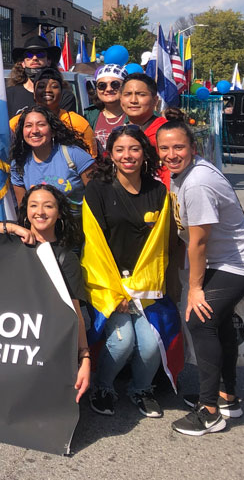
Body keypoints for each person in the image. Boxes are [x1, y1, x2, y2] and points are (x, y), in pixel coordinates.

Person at [158, 112, 244, 436]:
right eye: (164, 148)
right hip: (225, 259)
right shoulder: (184, 173)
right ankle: (227, 397)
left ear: (193, 147)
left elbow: (199, 241)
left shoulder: (197, 183)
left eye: (178, 147)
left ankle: (209, 413)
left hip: (235, 262)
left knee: (200, 320)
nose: (171, 154)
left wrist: (194, 288)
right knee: (219, 324)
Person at [0, 184, 91, 403]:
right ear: (26, 211)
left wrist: (85, 357)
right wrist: (14, 229)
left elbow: (75, 314)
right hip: (2, 336)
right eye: (33, 205)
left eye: (48, 206)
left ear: (59, 212)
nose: (40, 212)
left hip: (39, 343)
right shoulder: (12, 241)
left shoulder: (67, 259)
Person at [81, 125, 170, 419]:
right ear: (111, 153)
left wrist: (150, 286)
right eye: (119, 149)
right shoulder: (97, 189)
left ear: (144, 152)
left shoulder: (158, 191)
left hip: (145, 285)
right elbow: (93, 244)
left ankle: (141, 389)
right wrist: (114, 291)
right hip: (108, 283)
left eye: (134, 148)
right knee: (122, 342)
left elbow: (161, 246)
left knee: (149, 344)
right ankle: (103, 387)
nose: (127, 155)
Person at [10, 105, 95, 211]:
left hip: (79, 224)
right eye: (28, 126)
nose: (34, 130)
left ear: (53, 130)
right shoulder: (18, 163)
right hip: (41, 224)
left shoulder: (74, 154)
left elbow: (98, 196)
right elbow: (23, 208)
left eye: (41, 125)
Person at [9, 68, 96, 155]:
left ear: (62, 93)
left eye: (54, 86)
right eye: (41, 86)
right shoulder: (17, 122)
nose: (47, 90)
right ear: (34, 94)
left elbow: (91, 161)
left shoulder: (77, 123)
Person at [6, 35, 77, 116]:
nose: (35, 58)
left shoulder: (64, 96)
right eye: (29, 55)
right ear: (23, 63)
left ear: (49, 61)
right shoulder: (9, 95)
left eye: (40, 54)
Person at [121, 72, 169, 185]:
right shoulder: (119, 133)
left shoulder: (168, 133)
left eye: (141, 94)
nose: (133, 100)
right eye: (127, 94)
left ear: (155, 100)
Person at [84, 63, 128, 152]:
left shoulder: (137, 114)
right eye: (102, 85)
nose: (108, 89)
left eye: (114, 84)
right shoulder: (89, 115)